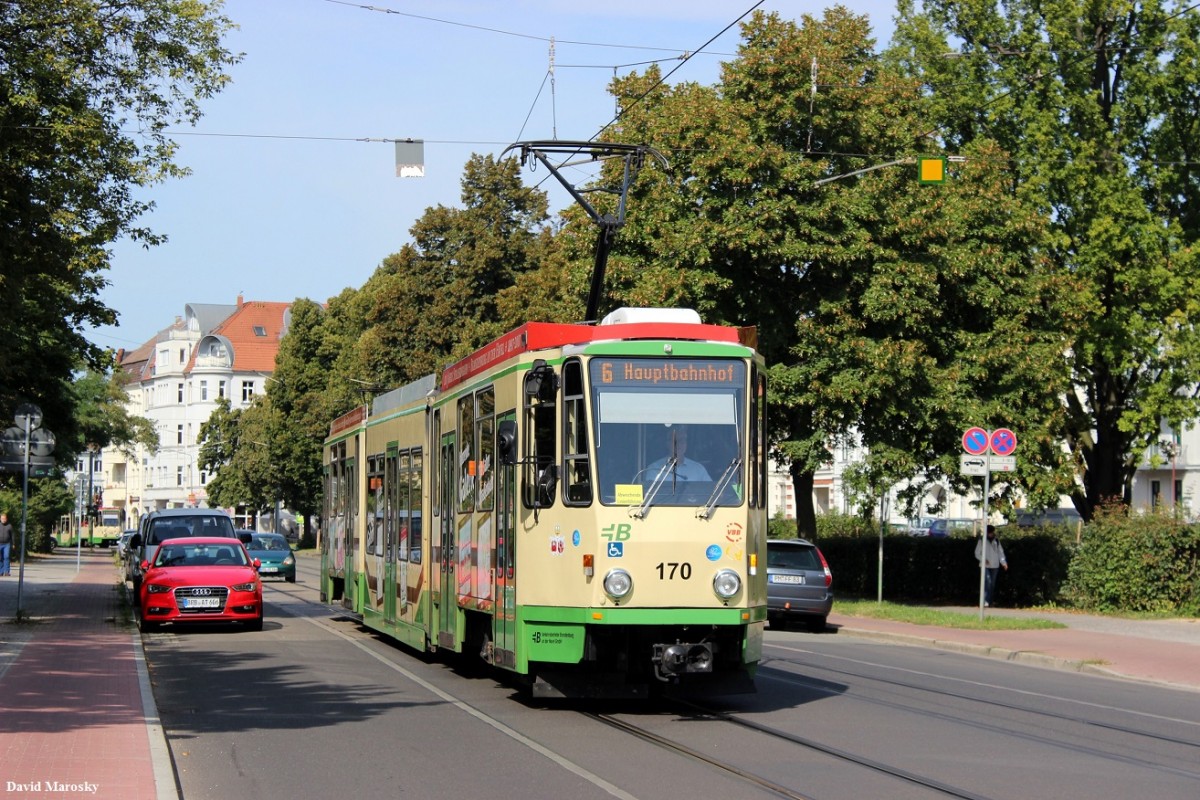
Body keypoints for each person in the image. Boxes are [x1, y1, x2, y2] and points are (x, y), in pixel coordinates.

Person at [646, 426, 711, 481]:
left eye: (682, 440)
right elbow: (650, 494)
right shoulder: (655, 469)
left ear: (686, 444)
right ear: (667, 443)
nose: (679, 444)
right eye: (675, 440)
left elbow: (710, 492)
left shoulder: (698, 469)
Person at [974, 524, 1008, 606]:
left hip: (995, 565)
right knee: (988, 581)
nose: (991, 534)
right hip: (985, 565)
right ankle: (985, 600)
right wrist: (983, 559)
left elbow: (1000, 552)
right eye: (990, 532)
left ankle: (990, 601)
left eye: (992, 532)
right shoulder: (981, 540)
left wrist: (1003, 563)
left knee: (992, 584)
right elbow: (977, 553)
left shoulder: (996, 541)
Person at [0, 511, 14, 576]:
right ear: (0, 519)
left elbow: (12, 535)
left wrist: (13, 543)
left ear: (6, 519)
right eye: (2, 518)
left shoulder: (9, 526)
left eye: (4, 519)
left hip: (7, 544)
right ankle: (1, 571)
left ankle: (7, 571)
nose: (3, 520)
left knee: (6, 556)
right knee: (0, 557)